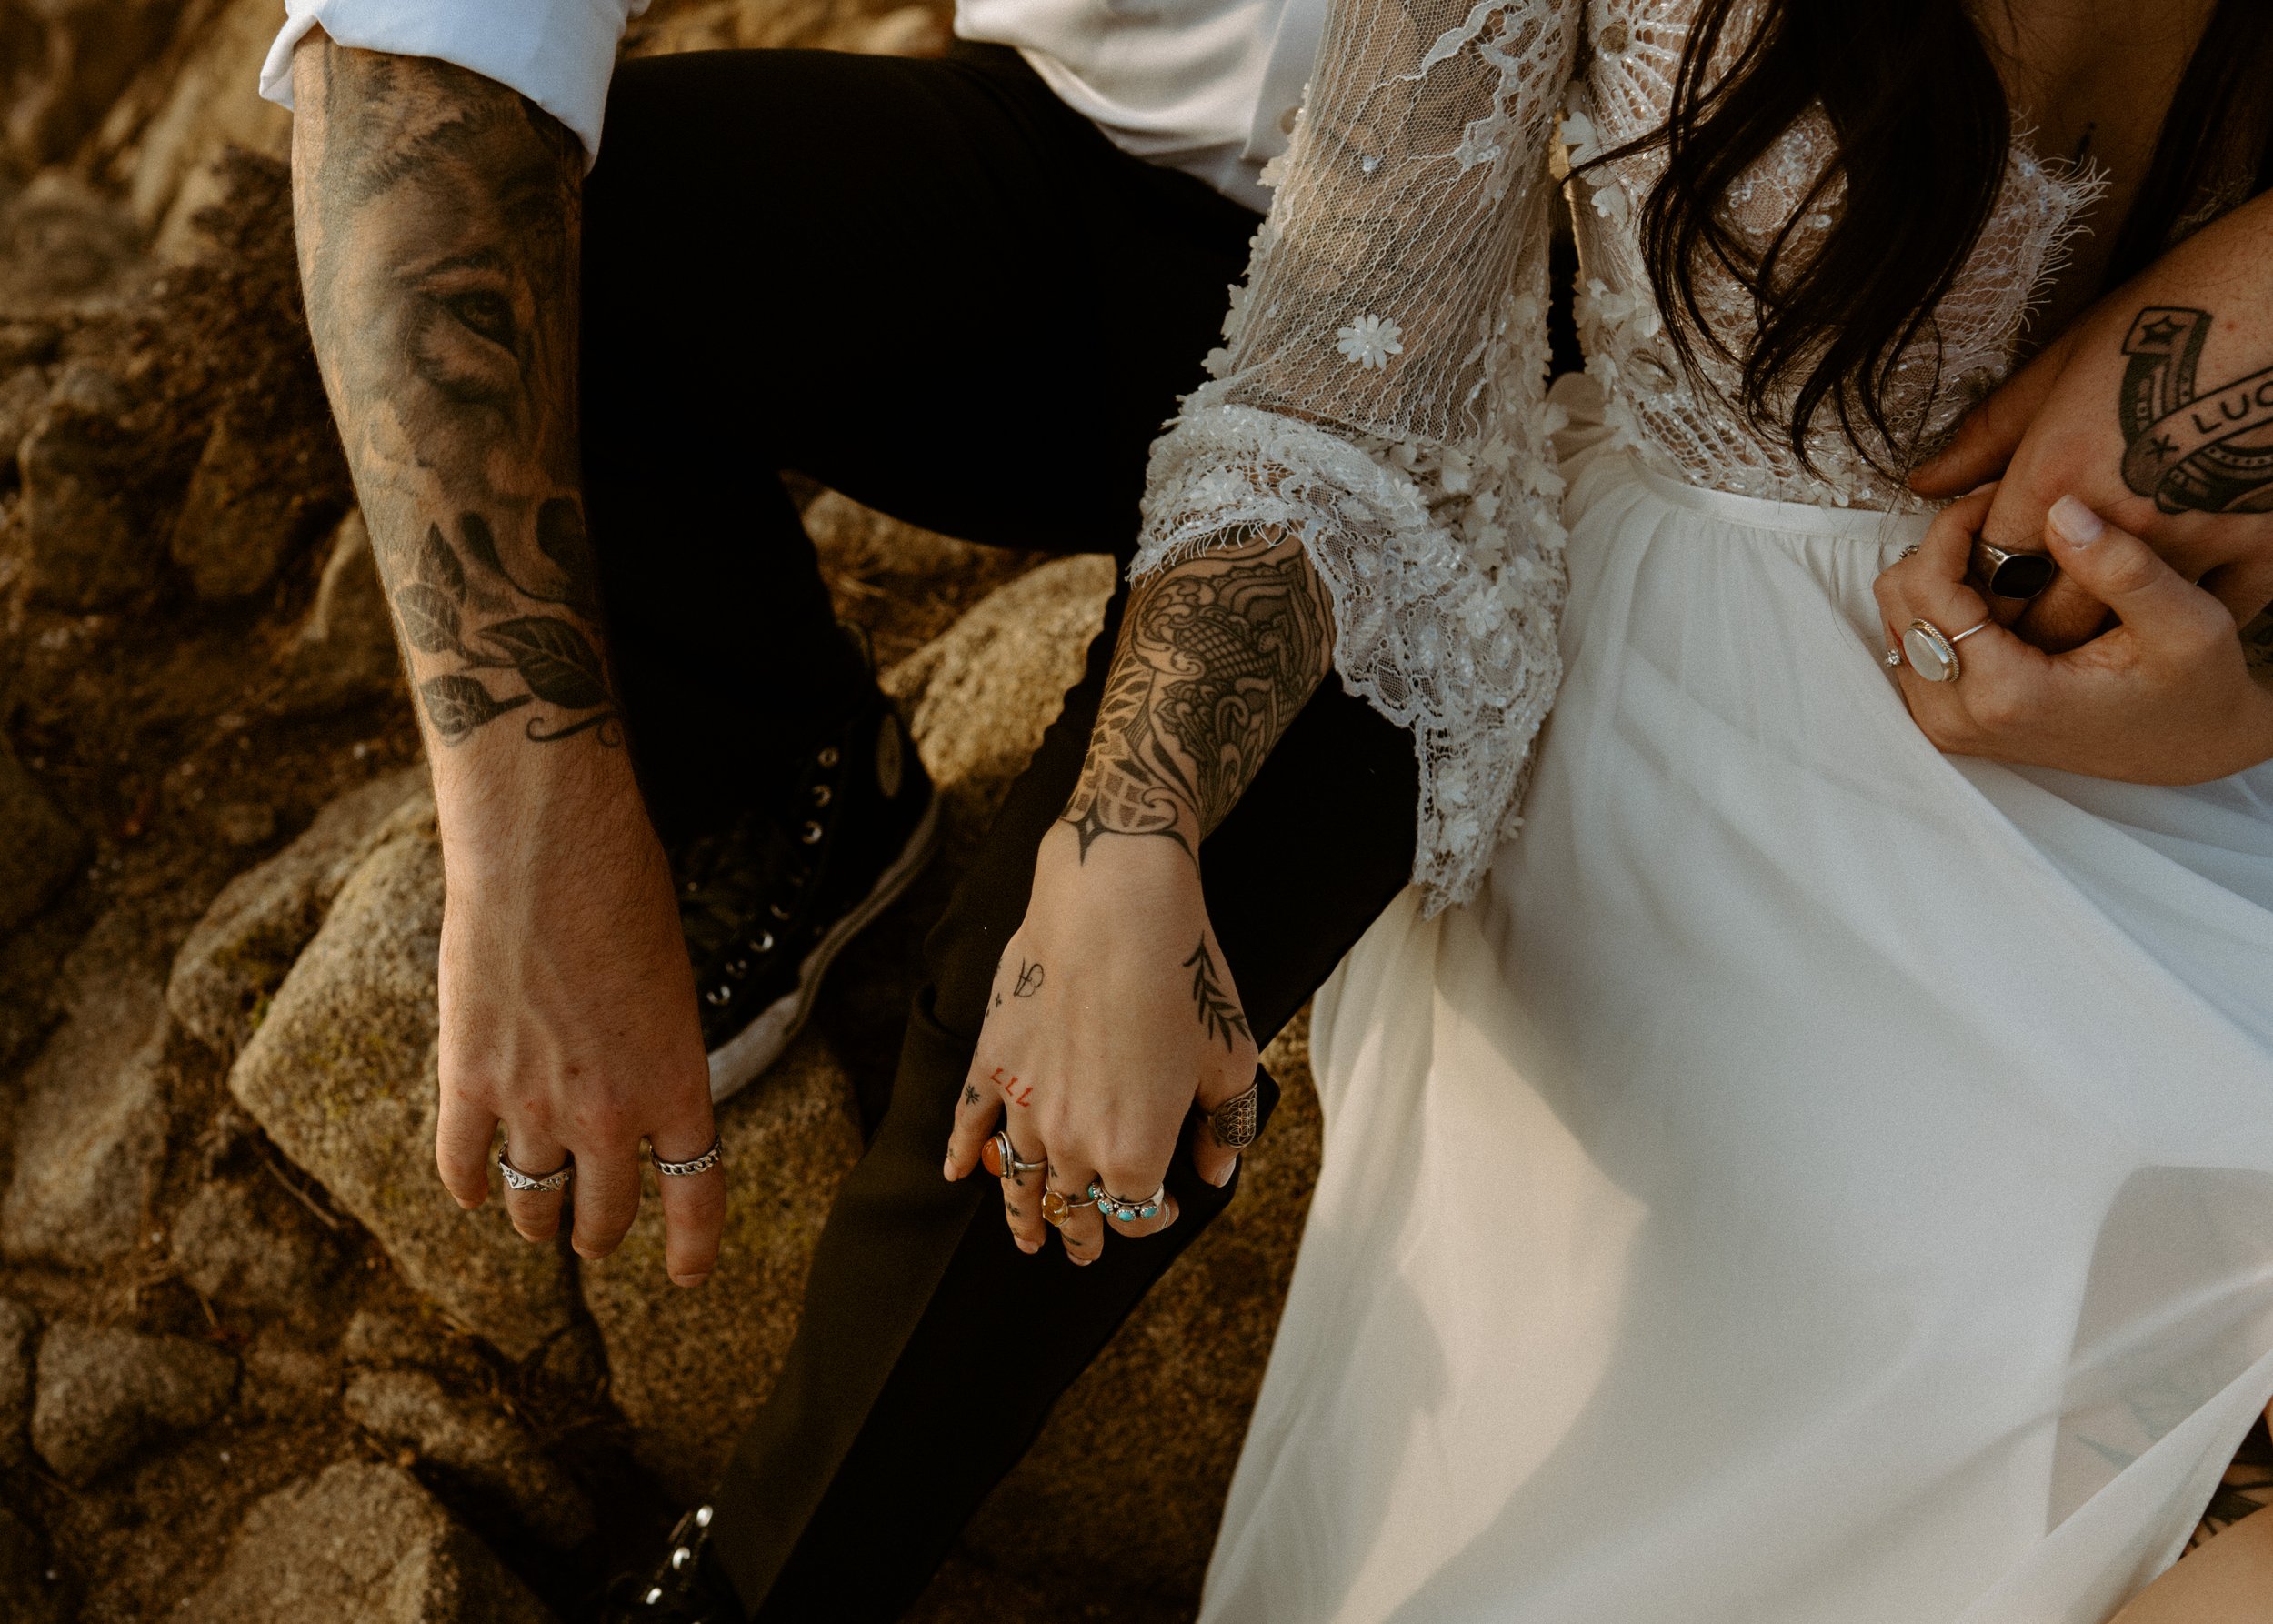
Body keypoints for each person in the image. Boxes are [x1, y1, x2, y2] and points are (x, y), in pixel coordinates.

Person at [265, 0, 1418, 1616]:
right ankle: (799, 787)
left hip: (1475, 347)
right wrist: (531, 829)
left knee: (1056, 989)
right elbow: (408, 69)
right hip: (1099, 171)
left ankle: (760, 1585)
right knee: (507, 258)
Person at [1130, 0, 2273, 1619]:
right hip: (1703, 748)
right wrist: (1127, 838)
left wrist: (2236, 704)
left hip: (2179, 767)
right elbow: (1325, 383)